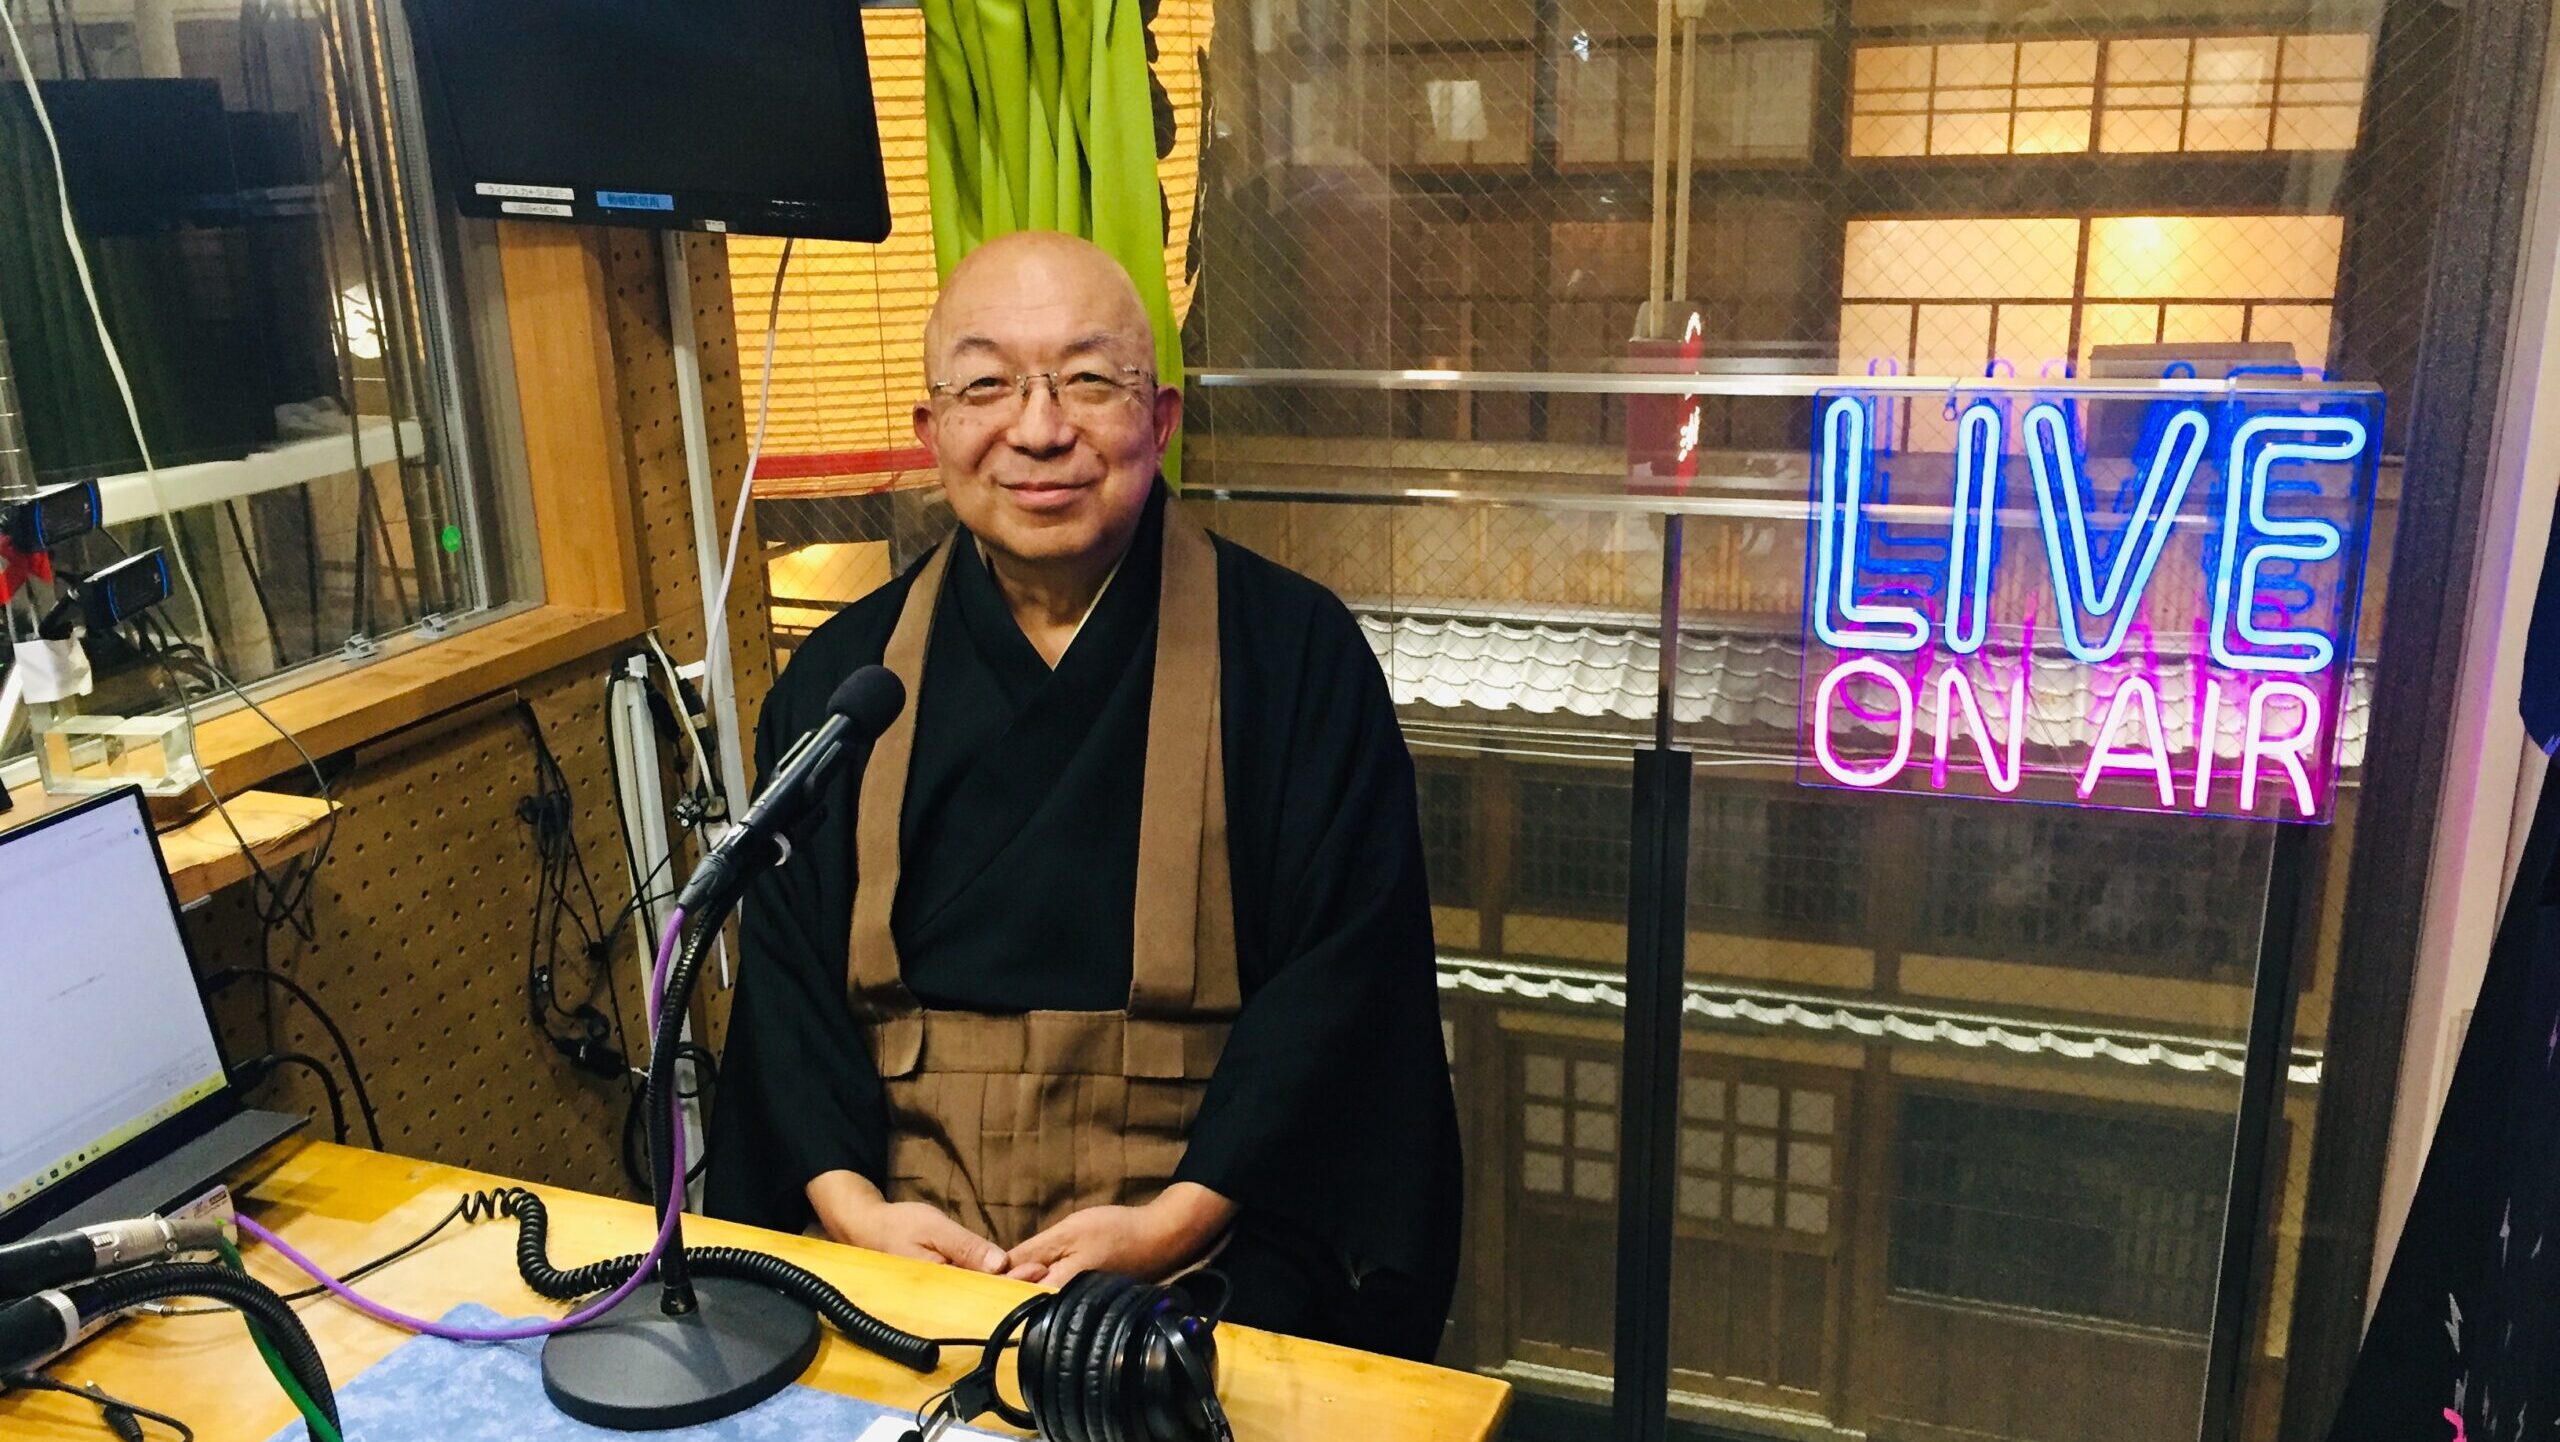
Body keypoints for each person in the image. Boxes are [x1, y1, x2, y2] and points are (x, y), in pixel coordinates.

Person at [705, 230, 1462, 1359]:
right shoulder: (843, 680)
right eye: (986, 386)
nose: (1039, 428)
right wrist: (855, 1215)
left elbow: (1344, 987)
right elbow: (786, 990)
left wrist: (1176, 1221)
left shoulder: (1293, 658)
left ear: (1161, 420)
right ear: (930, 431)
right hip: (894, 1254)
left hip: (1212, 1246)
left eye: (1089, 380)